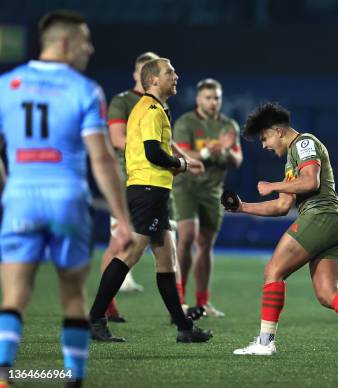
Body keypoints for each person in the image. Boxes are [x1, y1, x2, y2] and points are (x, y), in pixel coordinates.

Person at [0, 10, 133, 387]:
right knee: (73, 294)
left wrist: (8, 189)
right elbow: (102, 159)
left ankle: (4, 374)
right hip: (67, 201)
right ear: (63, 43)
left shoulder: (6, 85)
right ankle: (72, 378)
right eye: (85, 40)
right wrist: (122, 219)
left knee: (14, 294)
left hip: (21, 199)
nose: (89, 48)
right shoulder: (84, 90)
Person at [229, 102, 338, 359]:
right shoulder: (291, 159)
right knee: (328, 295)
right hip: (334, 224)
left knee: (273, 271)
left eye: (264, 138)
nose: (264, 145)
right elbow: (282, 206)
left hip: (320, 218)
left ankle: (265, 343)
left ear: (278, 130)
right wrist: (243, 207)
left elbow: (311, 181)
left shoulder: (303, 143)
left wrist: (272, 185)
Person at [88, 58, 212, 343]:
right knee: (129, 255)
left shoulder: (150, 107)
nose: (176, 76)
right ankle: (95, 319)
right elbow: (153, 154)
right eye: (170, 72)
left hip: (151, 191)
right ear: (154, 79)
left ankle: (184, 328)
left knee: (166, 260)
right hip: (147, 191)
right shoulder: (152, 109)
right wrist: (180, 163)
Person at [173, 78, 243, 317]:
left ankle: (203, 302)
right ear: (198, 100)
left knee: (205, 244)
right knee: (187, 237)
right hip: (186, 188)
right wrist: (207, 151)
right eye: (208, 98)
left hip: (213, 191)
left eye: (217, 98)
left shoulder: (228, 125)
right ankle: (178, 301)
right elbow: (181, 153)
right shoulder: (186, 122)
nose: (213, 102)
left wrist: (223, 151)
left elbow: (237, 160)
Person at [100, 51, 159, 323]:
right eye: (145, 69)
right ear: (137, 74)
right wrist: (155, 151)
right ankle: (105, 308)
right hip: (128, 180)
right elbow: (116, 139)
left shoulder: (157, 104)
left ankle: (180, 310)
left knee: (162, 245)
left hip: (152, 182)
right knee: (119, 241)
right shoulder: (123, 102)